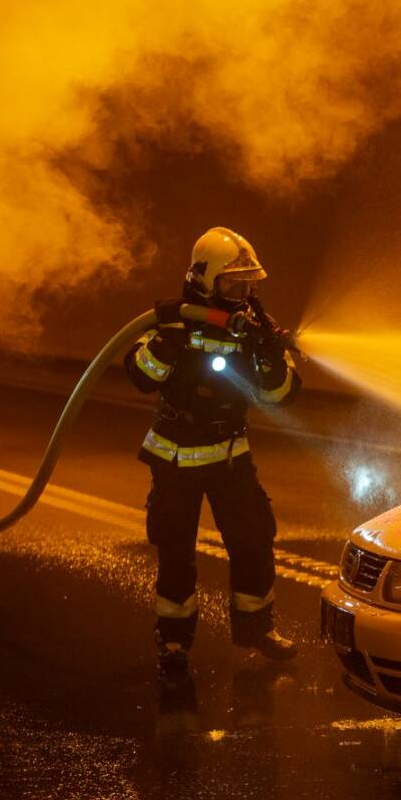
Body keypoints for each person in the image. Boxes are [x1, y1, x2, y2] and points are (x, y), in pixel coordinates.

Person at [124, 226, 302, 675]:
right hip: (175, 455)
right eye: (232, 282)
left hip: (229, 454)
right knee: (176, 551)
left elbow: (279, 396)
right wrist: (168, 340)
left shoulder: (254, 328)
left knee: (254, 538)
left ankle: (256, 629)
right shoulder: (173, 320)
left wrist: (271, 359)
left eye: (248, 283)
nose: (242, 292)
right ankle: (174, 640)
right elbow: (141, 375)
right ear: (204, 278)